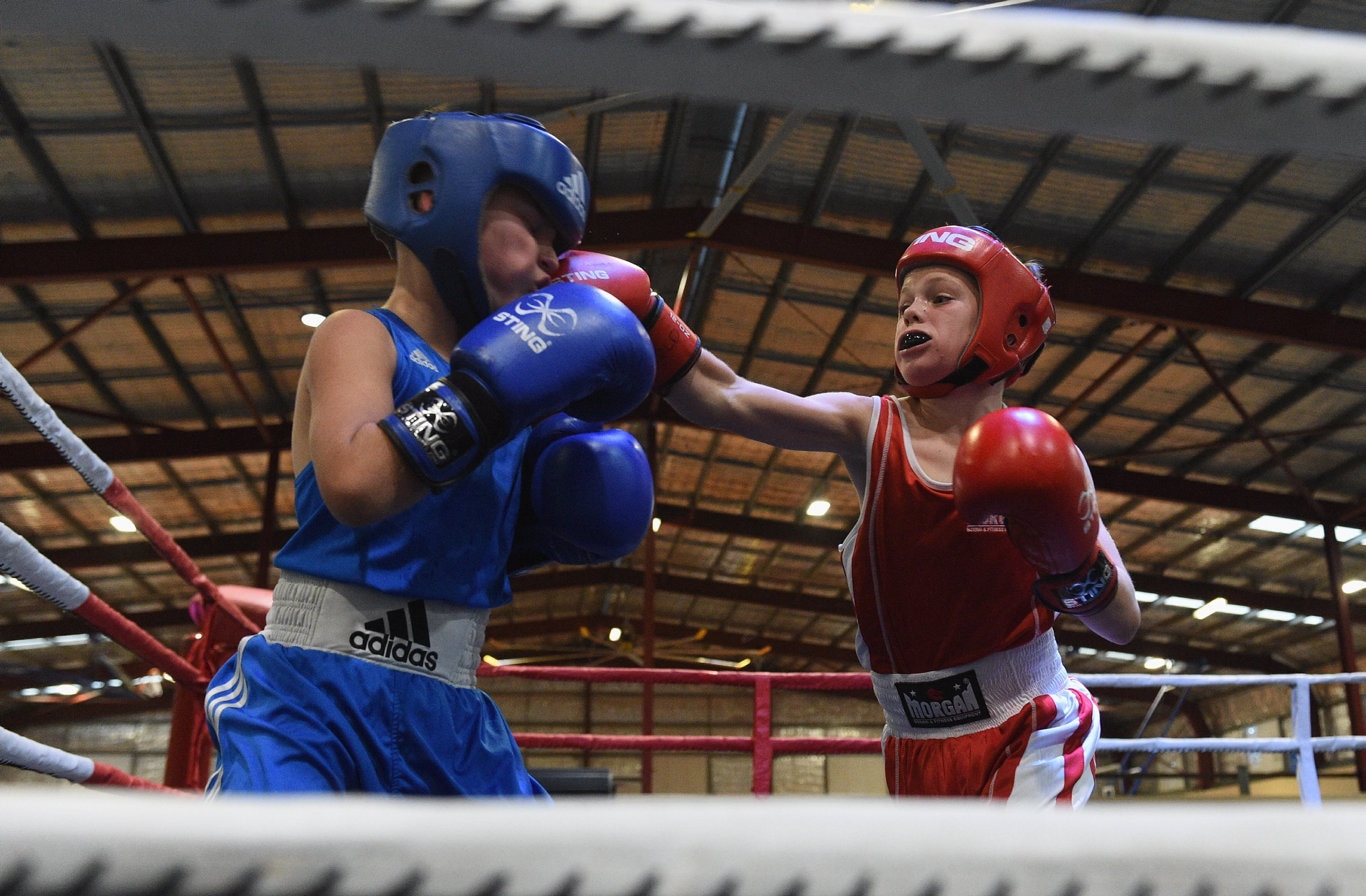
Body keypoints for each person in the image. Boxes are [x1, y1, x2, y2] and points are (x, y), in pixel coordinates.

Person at [550, 228, 1141, 806]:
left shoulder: (1047, 456)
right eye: (904, 305)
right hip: (914, 741)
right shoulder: (871, 426)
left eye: (939, 297)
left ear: (1005, 322)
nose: (913, 314)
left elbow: (1123, 622)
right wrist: (649, 314)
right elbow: (726, 396)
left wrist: (1071, 565)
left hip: (1029, 724)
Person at [204, 111, 658, 796]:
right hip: (311, 694)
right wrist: (489, 398)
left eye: (558, 243)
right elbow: (356, 484)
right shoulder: (361, 336)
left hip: (450, 706)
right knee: (275, 874)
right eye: (532, 228)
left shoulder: (521, 400)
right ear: (437, 202)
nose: (550, 259)